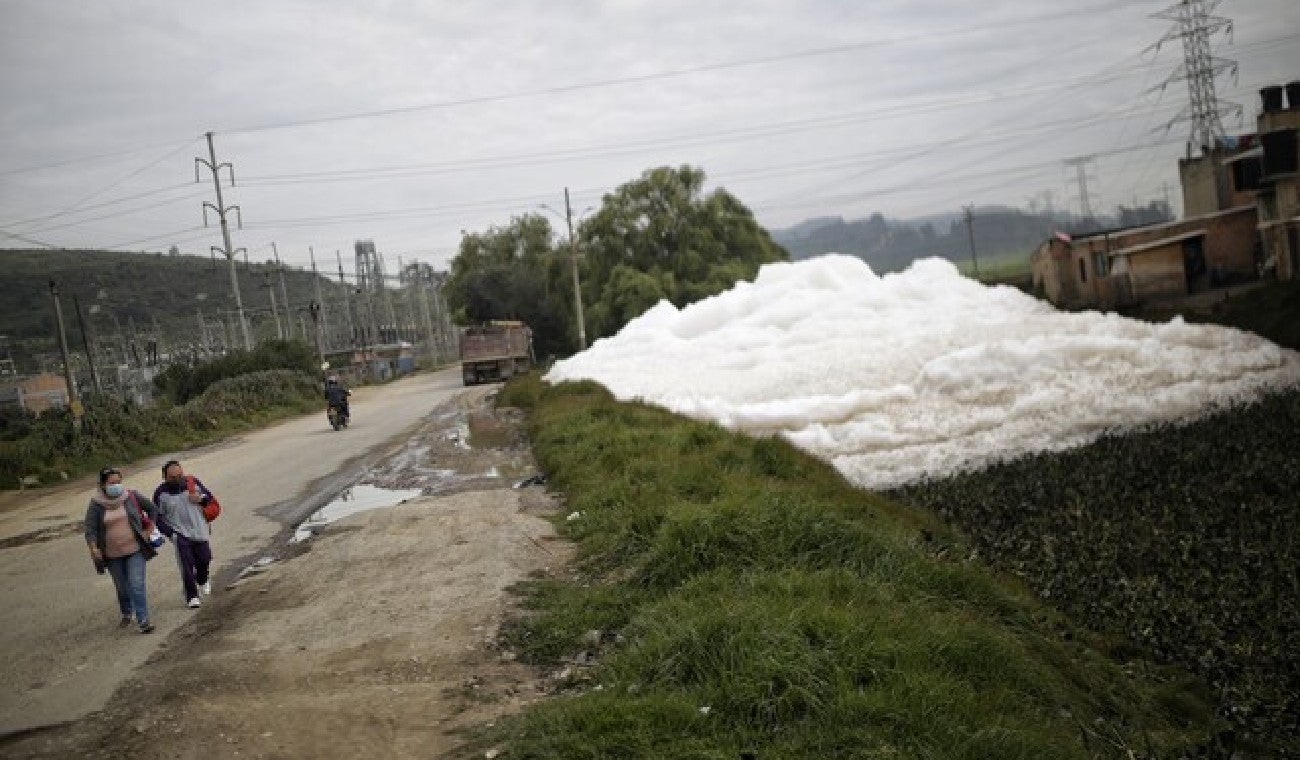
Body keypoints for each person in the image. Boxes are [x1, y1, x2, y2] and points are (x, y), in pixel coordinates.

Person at [84, 467, 159, 634]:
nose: (117, 486)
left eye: (119, 482)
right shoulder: (96, 505)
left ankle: (143, 620)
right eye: (112, 483)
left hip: (135, 549)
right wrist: (93, 547)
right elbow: (90, 530)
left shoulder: (130, 496)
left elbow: (153, 509)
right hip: (112, 555)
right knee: (122, 587)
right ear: (103, 485)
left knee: (137, 584)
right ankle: (127, 612)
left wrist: (149, 530)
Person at [152, 460, 216, 610]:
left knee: (205, 559)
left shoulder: (193, 484)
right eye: (173, 477)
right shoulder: (160, 494)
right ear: (165, 477)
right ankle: (192, 596)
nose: (177, 479)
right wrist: (171, 534)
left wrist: (200, 499)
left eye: (180, 475)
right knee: (186, 566)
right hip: (180, 535)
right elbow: (157, 517)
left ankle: (202, 579)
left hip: (199, 530)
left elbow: (209, 499)